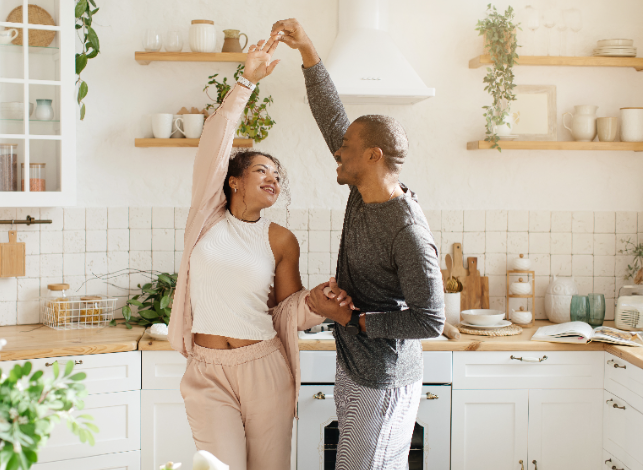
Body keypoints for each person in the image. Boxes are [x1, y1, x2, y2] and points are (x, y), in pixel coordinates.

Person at [271, 19, 446, 470]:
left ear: (373, 156)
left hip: (383, 377)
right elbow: (331, 116)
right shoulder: (361, 190)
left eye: (346, 146)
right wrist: (307, 48)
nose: (337, 151)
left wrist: (353, 318)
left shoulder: (406, 230)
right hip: (355, 365)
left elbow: (431, 320)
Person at [167, 36, 325, 470]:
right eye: (261, 170)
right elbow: (217, 140)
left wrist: (318, 304)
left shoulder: (280, 239)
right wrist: (246, 82)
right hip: (207, 371)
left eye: (278, 176)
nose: (273, 179)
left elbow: (287, 310)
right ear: (233, 180)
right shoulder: (207, 216)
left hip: (264, 368)